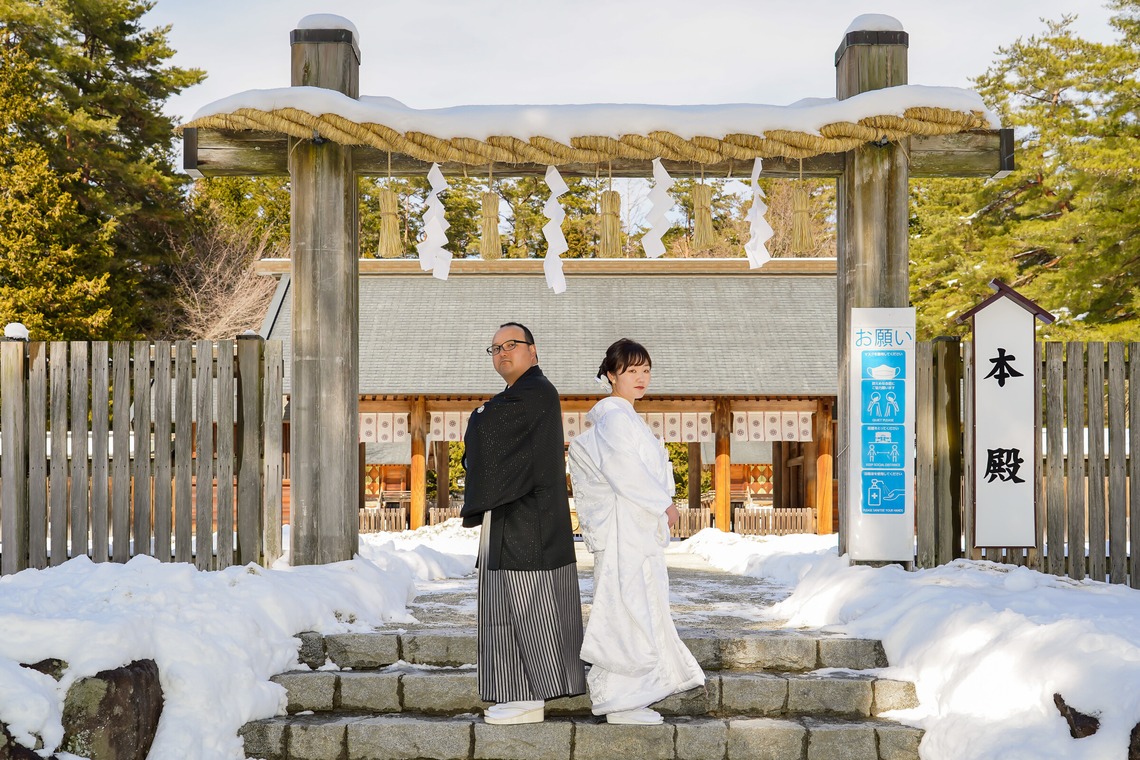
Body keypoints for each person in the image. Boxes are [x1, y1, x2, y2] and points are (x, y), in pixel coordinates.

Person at [568, 339, 704, 725]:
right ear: (611, 375)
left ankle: (630, 695)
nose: (641, 378)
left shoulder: (624, 416)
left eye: (646, 370)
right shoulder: (615, 418)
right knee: (626, 606)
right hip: (625, 531)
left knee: (635, 605)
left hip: (633, 529)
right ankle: (621, 701)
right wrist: (663, 503)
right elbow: (624, 470)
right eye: (631, 371)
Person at [460, 322, 587, 725]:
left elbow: (485, 426)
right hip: (510, 517)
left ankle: (534, 694)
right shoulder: (517, 396)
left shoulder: (537, 392)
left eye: (511, 345)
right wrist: (482, 418)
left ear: (533, 351)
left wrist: (478, 417)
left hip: (531, 522)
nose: (501, 352)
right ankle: (516, 692)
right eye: (495, 348)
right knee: (504, 608)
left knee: (531, 607)